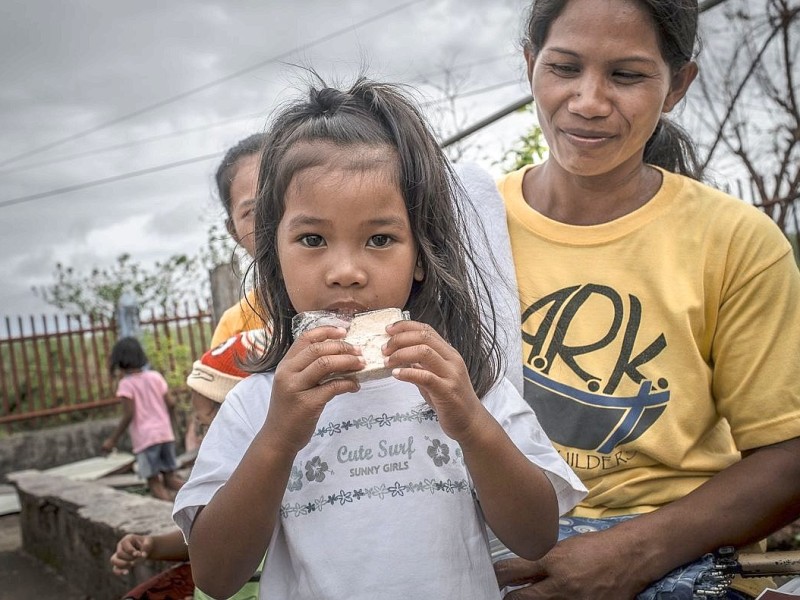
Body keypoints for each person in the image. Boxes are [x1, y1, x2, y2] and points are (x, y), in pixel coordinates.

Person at [172, 77, 587, 600]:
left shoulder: (464, 382)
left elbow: (535, 536)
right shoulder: (256, 405)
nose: (346, 271)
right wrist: (278, 438)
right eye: (313, 239)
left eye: (380, 239)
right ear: (273, 253)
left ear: (420, 256)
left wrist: (470, 422)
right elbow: (215, 574)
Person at [485, 1, 800, 598]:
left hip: (672, 554)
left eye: (627, 75)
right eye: (564, 68)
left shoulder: (734, 241)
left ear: (678, 85)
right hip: (490, 540)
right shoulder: (468, 226)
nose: (589, 101)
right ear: (530, 65)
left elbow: (786, 454)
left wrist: (629, 555)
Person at [111, 329, 266, 600]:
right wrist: (152, 545)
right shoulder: (224, 481)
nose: (203, 438)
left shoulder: (282, 491)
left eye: (206, 426)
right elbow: (208, 539)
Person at [103, 337, 185, 501]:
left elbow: (129, 414)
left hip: (146, 439)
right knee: (171, 478)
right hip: (165, 434)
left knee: (154, 482)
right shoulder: (155, 377)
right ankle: (200, 499)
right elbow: (171, 403)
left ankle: (169, 515)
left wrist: (112, 439)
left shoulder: (126, 385)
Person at [210, 132, 269, 348]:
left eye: (281, 198)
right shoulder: (234, 331)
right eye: (253, 210)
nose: (273, 218)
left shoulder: (364, 291)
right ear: (233, 231)